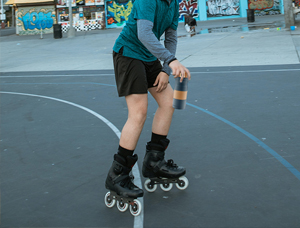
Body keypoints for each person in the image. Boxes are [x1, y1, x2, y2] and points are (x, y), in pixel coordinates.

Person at [105, 0, 191, 209]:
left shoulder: (173, 3)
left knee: (169, 102)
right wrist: (172, 61)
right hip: (128, 54)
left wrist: (165, 69)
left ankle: (154, 161)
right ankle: (117, 174)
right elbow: (144, 33)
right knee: (139, 113)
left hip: (148, 56)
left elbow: (170, 37)